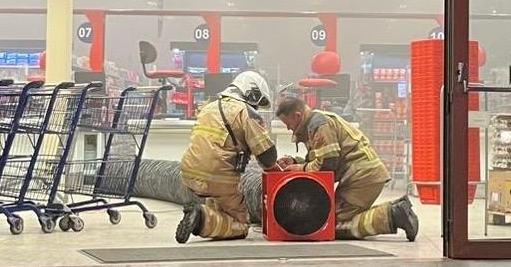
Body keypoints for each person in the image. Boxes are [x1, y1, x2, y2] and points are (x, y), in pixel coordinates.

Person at [275, 97, 419, 241]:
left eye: (288, 124)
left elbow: (327, 165)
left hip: (362, 176)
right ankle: (396, 210)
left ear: (297, 116)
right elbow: (321, 159)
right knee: (330, 218)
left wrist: (301, 168)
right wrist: (296, 162)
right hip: (362, 175)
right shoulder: (316, 123)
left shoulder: (320, 125)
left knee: (327, 223)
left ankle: (394, 215)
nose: (289, 129)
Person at [176, 71, 279, 243]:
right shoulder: (245, 112)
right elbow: (268, 157)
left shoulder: (208, 107)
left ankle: (205, 213)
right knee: (241, 223)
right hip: (218, 178)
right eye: (258, 101)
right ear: (251, 92)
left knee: (219, 207)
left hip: (188, 174)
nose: (258, 107)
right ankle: (201, 218)